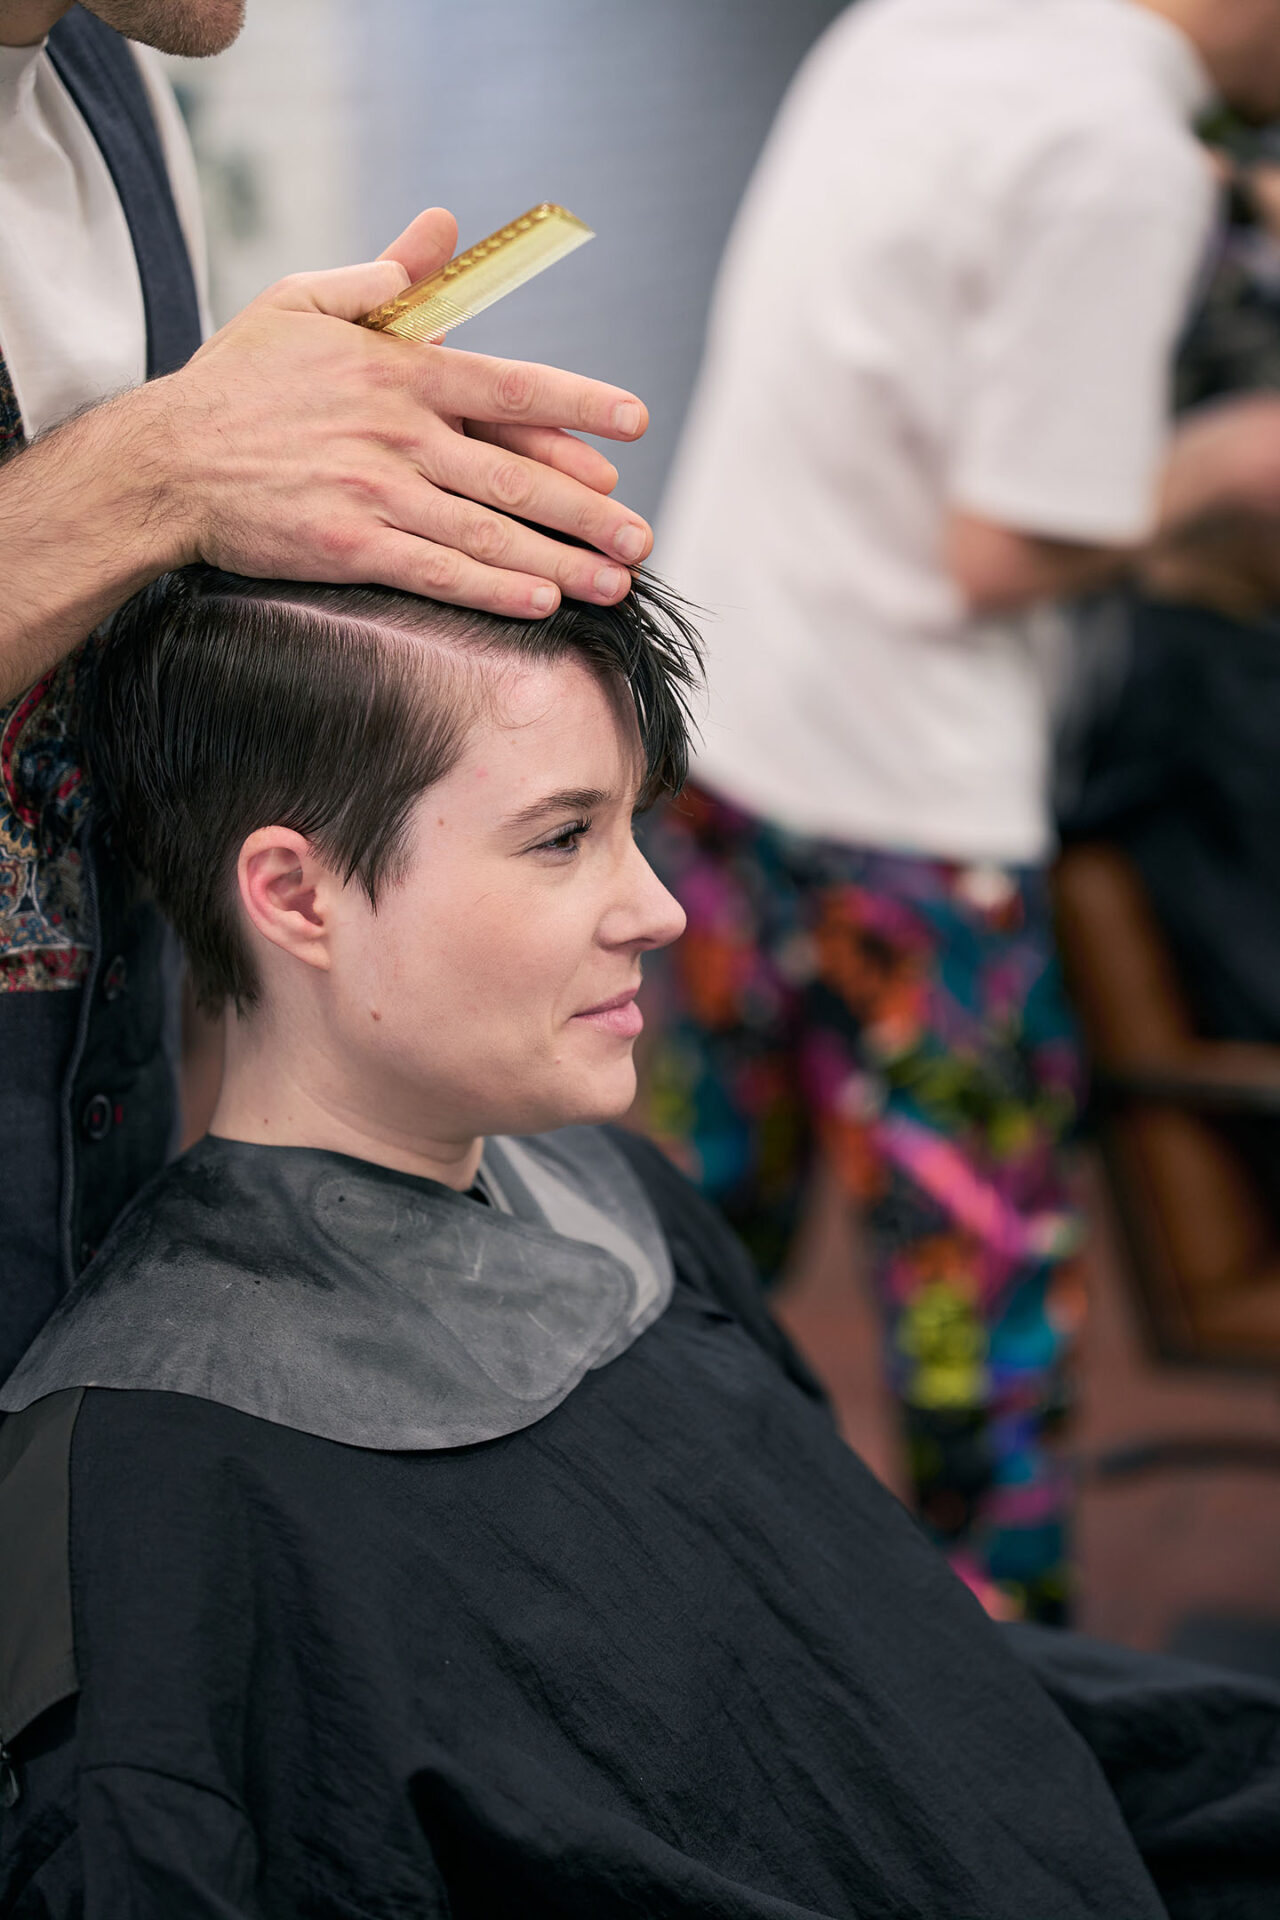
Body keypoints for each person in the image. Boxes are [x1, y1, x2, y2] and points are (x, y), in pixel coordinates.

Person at [1, 564, 1278, 1917]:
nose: (659, 910)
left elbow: (902, 1668)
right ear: (297, 895)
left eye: (634, 827)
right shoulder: (156, 1479)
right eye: (564, 839)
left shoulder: (614, 1193)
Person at [643, 0, 1280, 1621]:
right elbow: (1002, 544)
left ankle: (637, 1631)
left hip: (724, 727)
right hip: (908, 821)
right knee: (980, 1369)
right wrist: (1224, 472)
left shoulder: (927, 24)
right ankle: (1005, 1761)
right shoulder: (1118, 151)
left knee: (678, 1262)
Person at [0, 0, 655, 1380]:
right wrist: (166, 465)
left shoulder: (104, 86)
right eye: (561, 836)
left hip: (85, 1191)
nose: (658, 910)